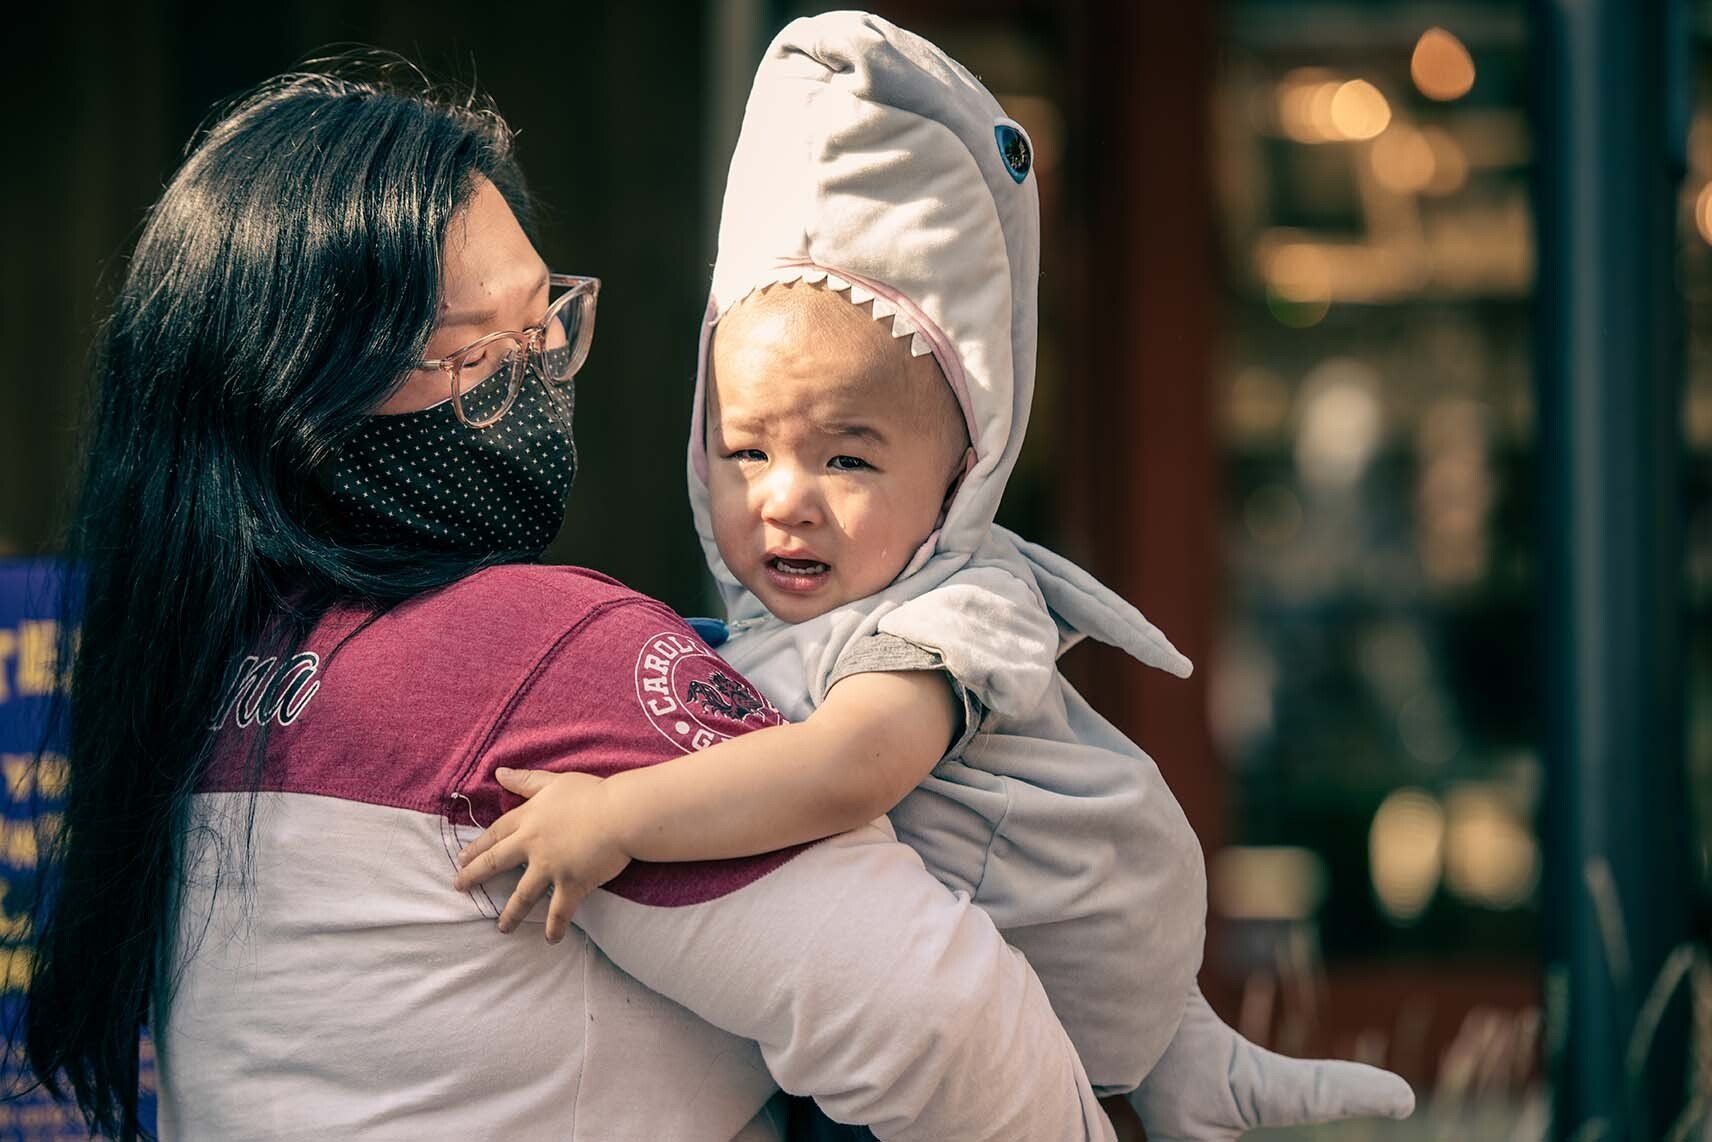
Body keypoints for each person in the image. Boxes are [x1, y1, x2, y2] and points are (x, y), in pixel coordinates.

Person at [15, 64, 1118, 1141]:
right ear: (305, 390)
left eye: (545, 319)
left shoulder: (200, 671)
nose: (535, 368)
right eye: (474, 350)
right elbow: (953, 1029)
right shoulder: (531, 656)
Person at [450, 12, 1416, 1142]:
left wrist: (619, 814)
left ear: (962, 469)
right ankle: (1188, 1071)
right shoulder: (774, 622)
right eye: (745, 448)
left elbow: (844, 768)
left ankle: (1179, 1060)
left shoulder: (958, 608)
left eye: (847, 459)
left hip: (1038, 981)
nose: (784, 497)